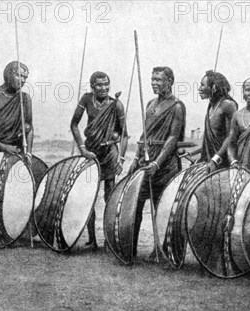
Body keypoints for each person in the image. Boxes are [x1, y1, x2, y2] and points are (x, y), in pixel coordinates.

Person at [127, 66, 185, 257]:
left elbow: (173, 138)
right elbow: (145, 134)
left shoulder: (176, 106)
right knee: (136, 205)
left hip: (165, 165)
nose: (154, 83)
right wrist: (136, 157)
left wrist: (157, 163)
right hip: (146, 161)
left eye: (159, 80)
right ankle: (131, 249)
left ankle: (162, 249)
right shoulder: (150, 103)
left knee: (162, 209)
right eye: (152, 79)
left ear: (170, 81)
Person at [70, 71, 128, 249]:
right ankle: (92, 240)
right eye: (99, 85)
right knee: (88, 196)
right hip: (91, 153)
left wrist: (121, 158)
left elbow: (124, 135)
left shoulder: (116, 104)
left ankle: (109, 240)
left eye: (106, 84)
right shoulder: (86, 99)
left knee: (109, 196)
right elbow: (74, 124)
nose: (103, 88)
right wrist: (82, 148)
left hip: (109, 153)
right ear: (92, 86)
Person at [197, 70, 238, 173]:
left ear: (214, 87)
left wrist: (215, 160)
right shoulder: (211, 106)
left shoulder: (228, 105)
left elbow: (231, 136)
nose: (199, 89)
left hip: (223, 164)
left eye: (202, 85)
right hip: (209, 163)